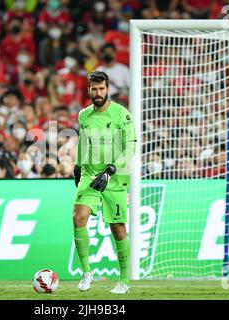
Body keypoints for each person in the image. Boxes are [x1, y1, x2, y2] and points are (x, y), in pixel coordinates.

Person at [73, 71, 136, 294]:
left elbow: (130, 147)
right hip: (90, 175)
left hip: (114, 178)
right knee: (78, 217)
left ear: (107, 89)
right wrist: (78, 166)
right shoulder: (84, 115)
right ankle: (87, 273)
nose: (98, 93)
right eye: (94, 89)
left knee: (118, 228)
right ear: (89, 89)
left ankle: (124, 280)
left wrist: (111, 169)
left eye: (101, 89)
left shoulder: (122, 114)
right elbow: (83, 142)